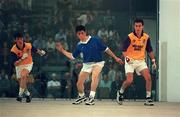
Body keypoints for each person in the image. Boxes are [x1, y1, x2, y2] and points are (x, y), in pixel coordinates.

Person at [56, 25, 123, 105]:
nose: (81, 35)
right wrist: (62, 50)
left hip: (98, 63)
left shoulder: (95, 40)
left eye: (82, 33)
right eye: (79, 34)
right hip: (87, 64)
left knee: (94, 76)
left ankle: (91, 98)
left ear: (85, 32)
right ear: (77, 35)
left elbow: (106, 49)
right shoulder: (79, 45)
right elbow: (72, 56)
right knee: (79, 83)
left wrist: (116, 58)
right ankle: (82, 97)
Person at [116, 18, 157, 106]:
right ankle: (120, 92)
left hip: (141, 61)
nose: (138, 28)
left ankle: (148, 98)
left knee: (148, 78)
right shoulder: (130, 37)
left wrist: (153, 61)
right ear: (134, 27)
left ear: (142, 26)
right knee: (129, 80)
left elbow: (149, 50)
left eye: (139, 26)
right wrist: (126, 58)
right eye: (136, 26)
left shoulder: (146, 37)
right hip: (130, 61)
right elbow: (123, 49)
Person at [10, 32, 46, 103]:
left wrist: (41, 52)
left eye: (21, 38)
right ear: (15, 40)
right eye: (18, 39)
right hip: (19, 66)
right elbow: (15, 63)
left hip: (28, 64)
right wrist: (22, 59)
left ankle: (20, 95)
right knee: (22, 82)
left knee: (23, 75)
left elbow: (35, 50)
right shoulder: (13, 50)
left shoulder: (28, 45)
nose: (20, 40)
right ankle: (28, 95)